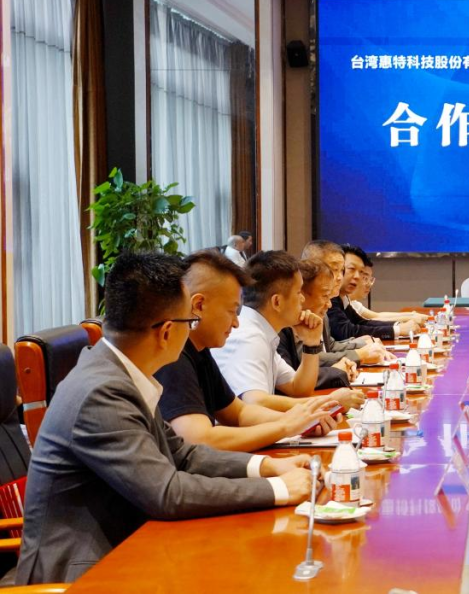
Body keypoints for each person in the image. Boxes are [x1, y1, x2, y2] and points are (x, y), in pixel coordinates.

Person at [15, 253, 313, 585]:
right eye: (189, 321)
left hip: (130, 546)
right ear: (167, 331)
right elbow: (167, 493)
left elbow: (183, 455)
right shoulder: (101, 391)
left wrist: (268, 467)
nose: (193, 328)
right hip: (84, 573)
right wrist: (277, 489)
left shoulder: (121, 372)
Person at [156, 250, 337, 452]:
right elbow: (199, 439)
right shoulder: (174, 355)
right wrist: (286, 426)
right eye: (232, 311)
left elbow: (239, 413)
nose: (236, 323)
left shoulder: (200, 349)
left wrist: (299, 420)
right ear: (198, 305)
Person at [212, 250, 364, 411]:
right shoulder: (249, 336)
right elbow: (256, 403)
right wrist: (330, 402)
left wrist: (311, 345)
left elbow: (298, 388)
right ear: (277, 302)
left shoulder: (263, 332)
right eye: (298, 292)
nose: (302, 299)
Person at [300, 240, 398, 365]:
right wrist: (360, 354)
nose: (339, 277)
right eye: (334, 269)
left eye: (341, 270)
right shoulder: (299, 310)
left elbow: (329, 346)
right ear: (310, 269)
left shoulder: (325, 304)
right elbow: (309, 360)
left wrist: (362, 343)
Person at [277, 259, 360, 389]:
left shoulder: (305, 320)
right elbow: (292, 383)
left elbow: (294, 383)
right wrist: (337, 371)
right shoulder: (276, 329)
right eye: (298, 293)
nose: (329, 304)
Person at [327, 244, 419, 342]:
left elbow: (362, 322)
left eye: (361, 272)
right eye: (352, 269)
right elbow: (346, 332)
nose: (357, 276)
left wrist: (397, 326)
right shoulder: (329, 297)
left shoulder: (342, 298)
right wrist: (397, 329)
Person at [347, 245, 427, 325]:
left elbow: (377, 316)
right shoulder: (342, 303)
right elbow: (370, 322)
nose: (369, 285)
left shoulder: (352, 302)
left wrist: (411, 315)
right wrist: (410, 318)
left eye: (370, 279)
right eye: (365, 278)